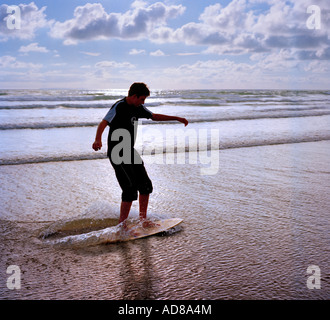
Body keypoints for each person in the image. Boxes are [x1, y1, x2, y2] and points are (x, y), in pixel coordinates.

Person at [92, 82, 188, 229]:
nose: (143, 103)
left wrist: (176, 118)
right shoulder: (120, 106)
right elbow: (104, 122)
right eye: (142, 99)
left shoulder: (138, 108)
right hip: (117, 152)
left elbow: (154, 116)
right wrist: (98, 139)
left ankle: (143, 220)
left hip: (130, 151)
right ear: (135, 96)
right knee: (129, 190)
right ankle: (121, 225)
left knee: (146, 186)